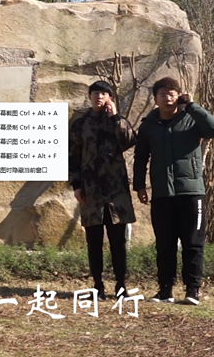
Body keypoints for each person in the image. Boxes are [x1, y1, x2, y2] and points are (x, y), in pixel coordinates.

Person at [133, 77, 214, 305]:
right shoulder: (148, 125)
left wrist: (192, 106)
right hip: (162, 194)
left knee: (193, 243)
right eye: (162, 94)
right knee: (165, 244)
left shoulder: (191, 119)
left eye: (172, 94)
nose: (167, 98)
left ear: (179, 96)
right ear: (155, 99)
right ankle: (165, 291)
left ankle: (193, 290)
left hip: (191, 192)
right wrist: (139, 185)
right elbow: (141, 157)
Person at [68, 80, 137, 300]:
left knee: (118, 242)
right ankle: (98, 286)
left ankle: (121, 286)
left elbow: (128, 141)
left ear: (110, 98)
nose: (99, 97)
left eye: (103, 93)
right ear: (89, 97)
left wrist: (115, 117)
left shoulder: (118, 120)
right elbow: (73, 156)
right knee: (94, 241)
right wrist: (76, 185)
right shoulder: (80, 124)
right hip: (91, 192)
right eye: (95, 93)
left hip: (116, 193)